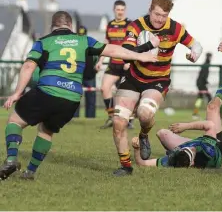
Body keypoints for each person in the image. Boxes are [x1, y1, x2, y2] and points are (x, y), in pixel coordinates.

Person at [0, 11, 158, 181]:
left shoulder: (43, 42)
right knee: (46, 130)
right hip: (72, 99)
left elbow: (28, 67)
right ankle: (30, 172)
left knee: (15, 121)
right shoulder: (84, 40)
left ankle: (11, 160)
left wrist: (17, 93)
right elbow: (114, 50)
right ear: (71, 26)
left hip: (48, 91)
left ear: (53, 26)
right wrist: (141, 54)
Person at [112, 0, 203, 176]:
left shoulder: (175, 28)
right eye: (157, 14)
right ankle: (126, 166)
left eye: (164, 15)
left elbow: (196, 45)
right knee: (118, 122)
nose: (160, 20)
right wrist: (148, 45)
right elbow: (126, 53)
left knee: (144, 114)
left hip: (157, 81)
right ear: (149, 8)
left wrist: (195, 54)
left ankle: (144, 135)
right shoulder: (136, 26)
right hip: (132, 79)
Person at [132, 41, 222, 169]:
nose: (190, 149)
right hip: (217, 144)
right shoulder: (208, 151)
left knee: (162, 133)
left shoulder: (173, 158)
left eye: (187, 149)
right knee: (212, 107)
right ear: (192, 163)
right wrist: (185, 126)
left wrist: (136, 149)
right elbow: (210, 125)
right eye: (191, 150)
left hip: (196, 143)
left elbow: (143, 163)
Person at [96, 0, 133, 129]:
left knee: (126, 93)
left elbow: (134, 44)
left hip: (126, 65)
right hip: (113, 64)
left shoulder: (130, 25)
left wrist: (129, 62)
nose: (120, 12)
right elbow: (106, 43)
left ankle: (128, 119)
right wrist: (100, 61)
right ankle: (111, 117)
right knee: (104, 88)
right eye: (118, 9)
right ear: (114, 10)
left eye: (122, 10)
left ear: (125, 10)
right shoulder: (110, 24)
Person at [73, 25, 98, 118]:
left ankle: (90, 118)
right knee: (75, 98)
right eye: (80, 35)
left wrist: (97, 66)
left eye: (83, 35)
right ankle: (75, 117)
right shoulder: (73, 46)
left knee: (91, 99)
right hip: (77, 75)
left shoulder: (91, 45)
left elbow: (97, 57)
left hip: (90, 75)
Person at [192, 52, 213, 119]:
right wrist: (206, 82)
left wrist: (206, 81)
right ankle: (210, 113)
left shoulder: (206, 63)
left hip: (200, 83)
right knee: (209, 97)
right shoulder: (207, 63)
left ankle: (195, 114)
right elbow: (203, 76)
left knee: (200, 98)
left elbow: (203, 75)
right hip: (201, 83)